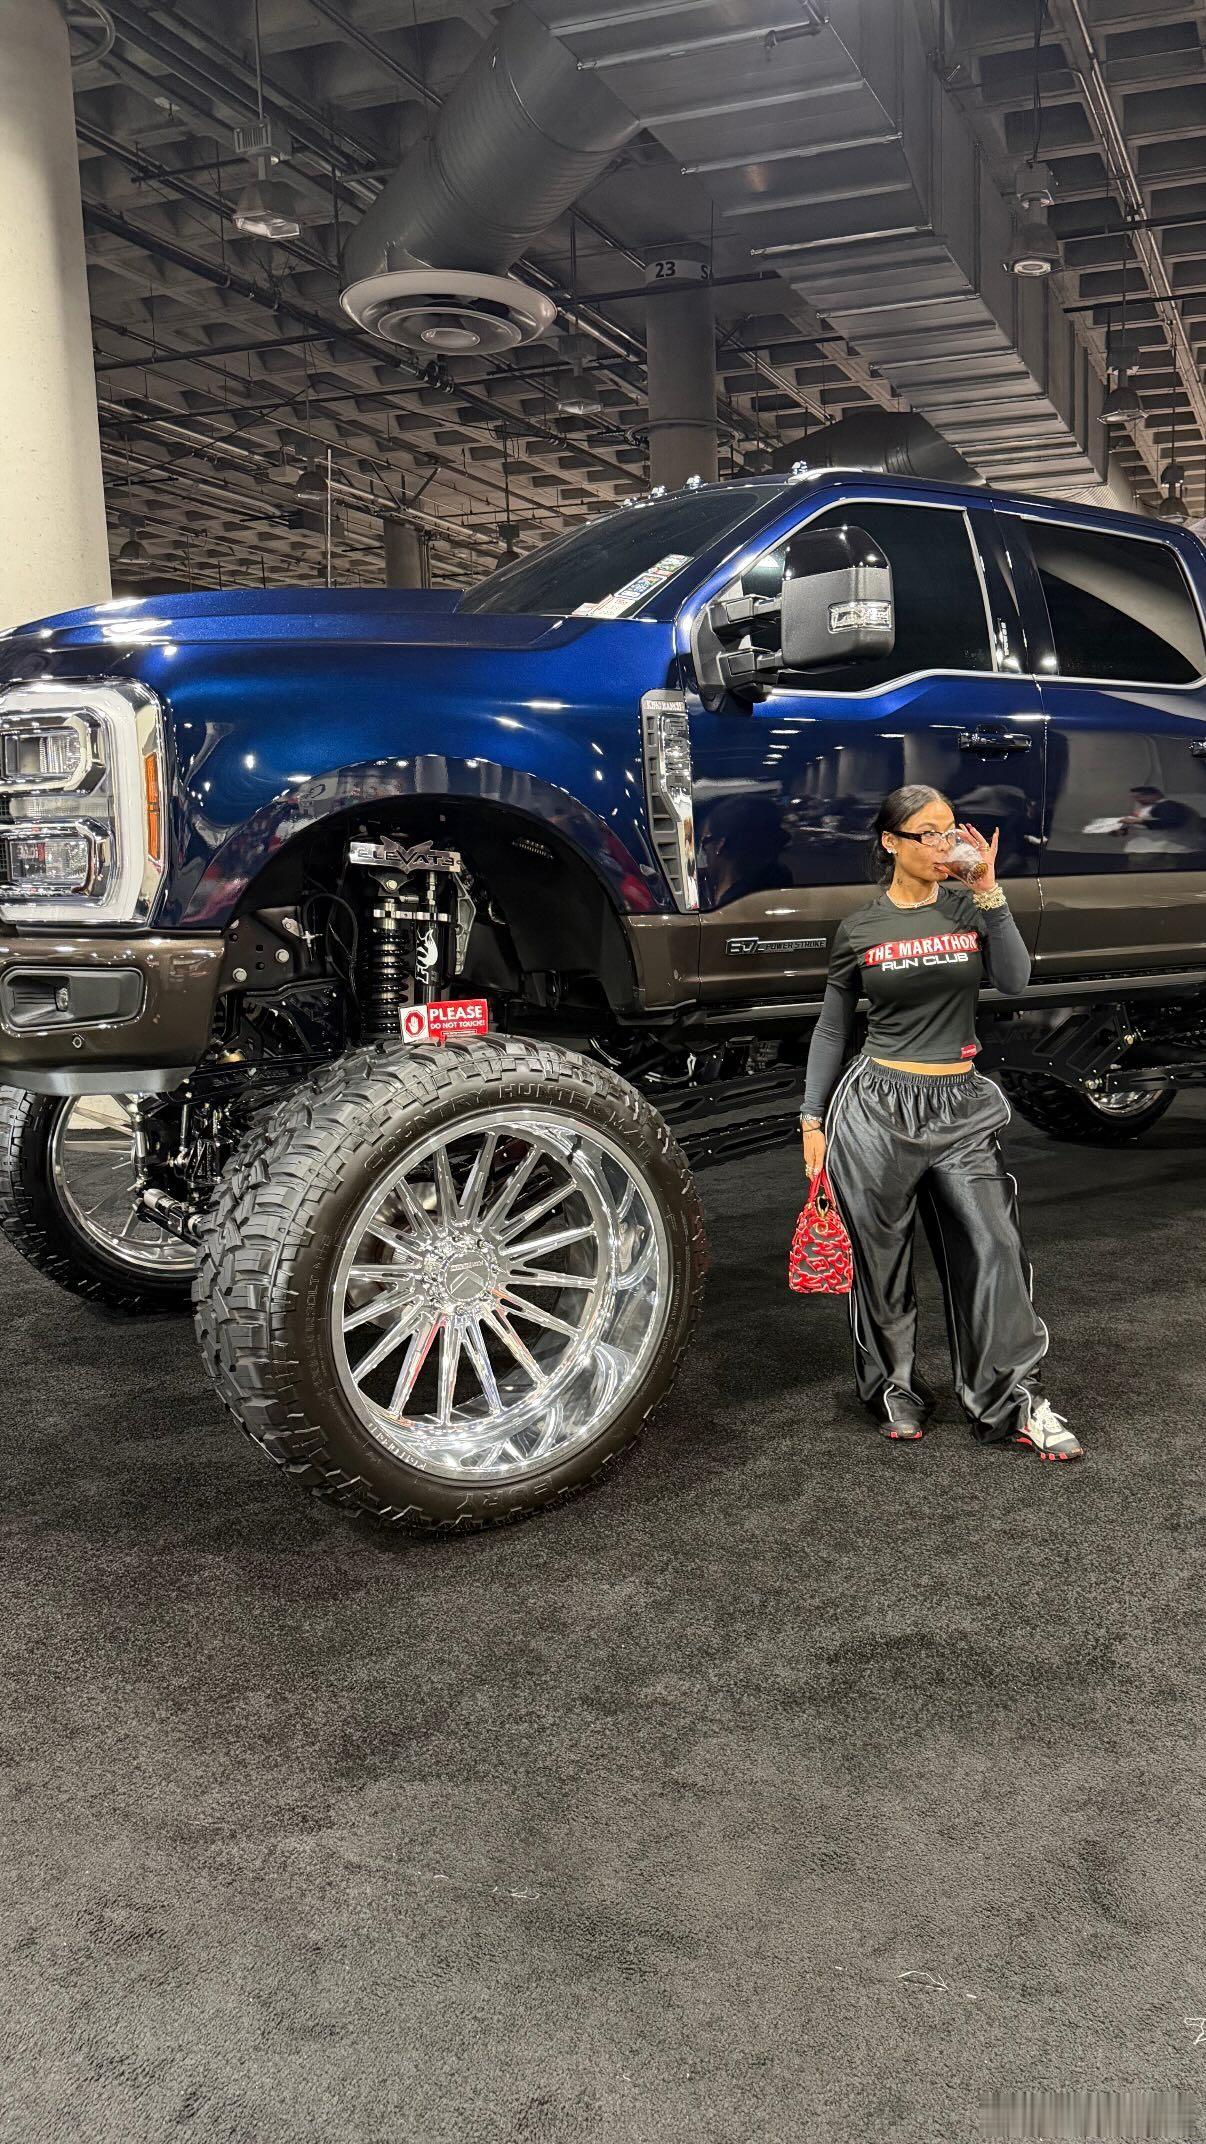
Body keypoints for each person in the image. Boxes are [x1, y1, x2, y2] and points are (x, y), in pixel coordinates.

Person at [798, 783, 1083, 1462]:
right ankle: (894, 1392)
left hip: (958, 1103)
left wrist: (990, 892)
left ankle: (1009, 1401)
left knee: (994, 1246)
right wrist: (812, 1119)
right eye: (926, 834)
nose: (943, 845)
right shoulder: (859, 928)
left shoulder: (967, 907)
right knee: (881, 1259)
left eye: (950, 830)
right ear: (890, 842)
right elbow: (832, 1029)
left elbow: (1015, 980)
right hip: (875, 1107)